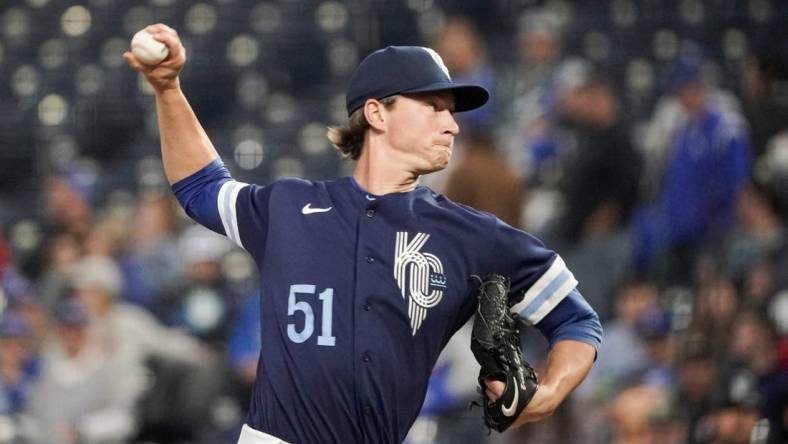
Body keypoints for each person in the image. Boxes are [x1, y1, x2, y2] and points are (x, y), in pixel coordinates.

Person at [124, 24, 602, 444]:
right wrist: (168, 90)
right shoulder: (288, 207)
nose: (452, 124)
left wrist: (550, 392)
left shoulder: (471, 236)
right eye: (433, 106)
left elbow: (577, 321)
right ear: (377, 114)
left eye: (451, 111)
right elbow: (202, 187)